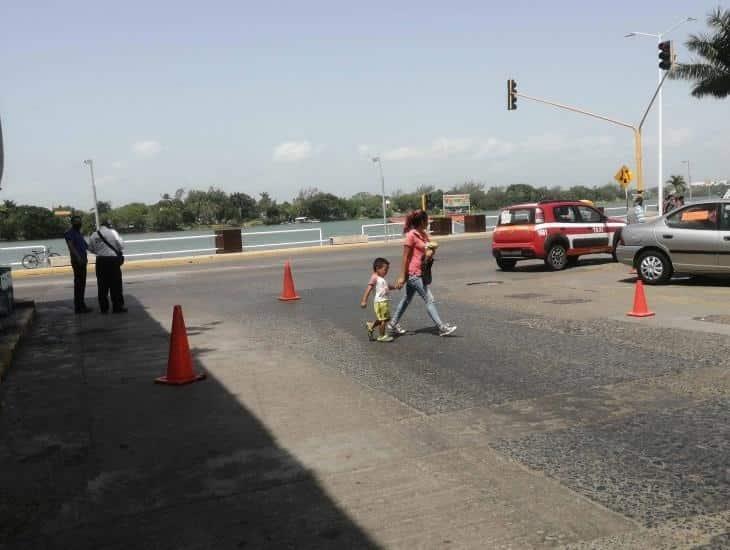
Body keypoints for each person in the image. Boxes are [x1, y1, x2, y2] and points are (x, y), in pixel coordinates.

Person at [389, 210, 457, 337]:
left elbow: (428, 250)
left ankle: (392, 324)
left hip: (422, 271)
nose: (428, 222)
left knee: (406, 299)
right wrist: (402, 276)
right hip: (414, 273)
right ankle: (441, 327)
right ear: (421, 221)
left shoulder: (423, 235)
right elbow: (405, 257)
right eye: (426, 220)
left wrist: (432, 252)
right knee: (429, 299)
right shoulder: (411, 235)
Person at [88, 220, 127, 313]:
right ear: (109, 226)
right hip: (112, 261)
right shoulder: (113, 233)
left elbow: (91, 249)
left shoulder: (94, 235)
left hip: (100, 261)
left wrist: (100, 252)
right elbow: (121, 246)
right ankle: (117, 307)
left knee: (102, 286)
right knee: (116, 285)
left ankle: (104, 308)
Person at [360, 257, 396, 343]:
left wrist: (395, 287)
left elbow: (387, 286)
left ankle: (371, 325)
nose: (386, 271)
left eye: (387, 269)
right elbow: (368, 288)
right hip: (380, 302)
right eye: (385, 269)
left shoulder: (381, 278)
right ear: (377, 268)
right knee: (383, 319)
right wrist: (364, 300)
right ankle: (382, 336)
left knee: (385, 319)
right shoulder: (375, 277)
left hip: (384, 301)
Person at [64, 215, 91, 314]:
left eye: (79, 221)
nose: (79, 223)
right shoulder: (69, 233)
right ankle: (78, 307)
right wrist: (78, 258)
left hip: (83, 260)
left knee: (82, 284)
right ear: (72, 223)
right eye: (76, 221)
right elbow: (71, 247)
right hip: (77, 261)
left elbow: (86, 246)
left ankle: (82, 305)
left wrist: (98, 250)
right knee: (79, 284)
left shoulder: (79, 233)